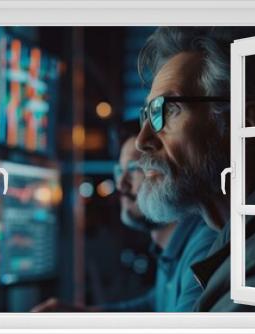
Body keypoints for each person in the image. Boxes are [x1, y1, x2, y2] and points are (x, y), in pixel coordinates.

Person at [135, 27, 255, 312]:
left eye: (167, 110)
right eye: (147, 114)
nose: (142, 140)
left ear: (247, 125)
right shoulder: (239, 239)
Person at [32, 122, 216, 312]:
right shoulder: (171, 250)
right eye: (119, 171)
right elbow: (153, 306)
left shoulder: (203, 249)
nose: (121, 184)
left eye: (135, 168)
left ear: (168, 173)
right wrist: (80, 316)